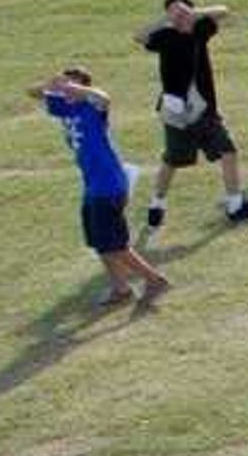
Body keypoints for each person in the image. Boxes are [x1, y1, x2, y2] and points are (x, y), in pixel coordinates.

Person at [29, 68, 168, 313]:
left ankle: (154, 280)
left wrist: (77, 90)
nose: (68, 91)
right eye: (67, 86)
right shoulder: (65, 108)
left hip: (109, 184)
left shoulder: (93, 108)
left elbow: (104, 98)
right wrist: (52, 84)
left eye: (75, 86)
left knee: (115, 244)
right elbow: (32, 93)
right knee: (99, 242)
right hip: (93, 186)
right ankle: (121, 288)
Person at [137, 0, 248, 233]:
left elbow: (224, 11)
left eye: (183, 10)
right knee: (172, 160)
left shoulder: (201, 28)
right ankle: (156, 205)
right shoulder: (164, 36)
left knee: (228, 150)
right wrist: (166, 19)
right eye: (174, 10)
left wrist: (196, 13)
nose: (181, 16)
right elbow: (139, 36)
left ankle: (235, 206)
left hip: (204, 108)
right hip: (176, 112)